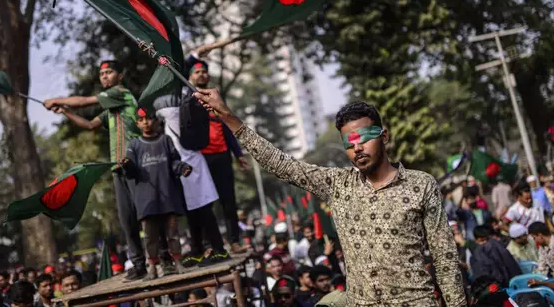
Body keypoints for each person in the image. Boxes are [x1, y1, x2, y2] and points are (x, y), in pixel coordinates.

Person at [193, 90, 465, 306]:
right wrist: (230, 119)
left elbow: (445, 258)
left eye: (364, 138)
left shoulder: (421, 185)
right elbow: (280, 164)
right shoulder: (338, 184)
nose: (357, 147)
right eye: (349, 143)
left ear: (384, 137)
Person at [44, 61, 145, 280]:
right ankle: (139, 264)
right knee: (127, 218)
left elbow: (85, 101)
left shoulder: (121, 93)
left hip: (136, 163)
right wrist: (65, 112)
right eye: (101, 74)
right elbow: (90, 125)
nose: (105, 77)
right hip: (118, 167)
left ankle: (162, 258)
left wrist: (56, 99)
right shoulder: (112, 108)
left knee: (147, 214)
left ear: (120, 76)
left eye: (109, 72)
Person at [153, 94, 230, 268]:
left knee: (203, 213)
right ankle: (198, 249)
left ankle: (219, 249)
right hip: (189, 171)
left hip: (192, 171)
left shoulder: (171, 117)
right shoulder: (177, 117)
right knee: (193, 214)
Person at [186, 57, 249, 254]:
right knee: (206, 202)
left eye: (204, 71)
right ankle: (210, 245)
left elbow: (228, 128)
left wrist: (238, 154)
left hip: (222, 156)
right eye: (197, 72)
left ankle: (234, 241)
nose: (201, 74)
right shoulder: (188, 99)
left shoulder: (216, 98)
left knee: (228, 201)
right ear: (190, 77)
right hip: (201, 159)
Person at [122, 107, 190, 279]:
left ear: (155, 120)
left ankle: (178, 263)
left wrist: (182, 168)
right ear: (137, 123)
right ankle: (152, 268)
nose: (146, 122)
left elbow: (175, 161)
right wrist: (126, 165)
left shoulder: (166, 140)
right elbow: (131, 171)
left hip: (168, 194)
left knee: (173, 233)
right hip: (147, 199)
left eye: (149, 118)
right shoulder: (134, 145)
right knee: (150, 237)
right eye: (142, 120)